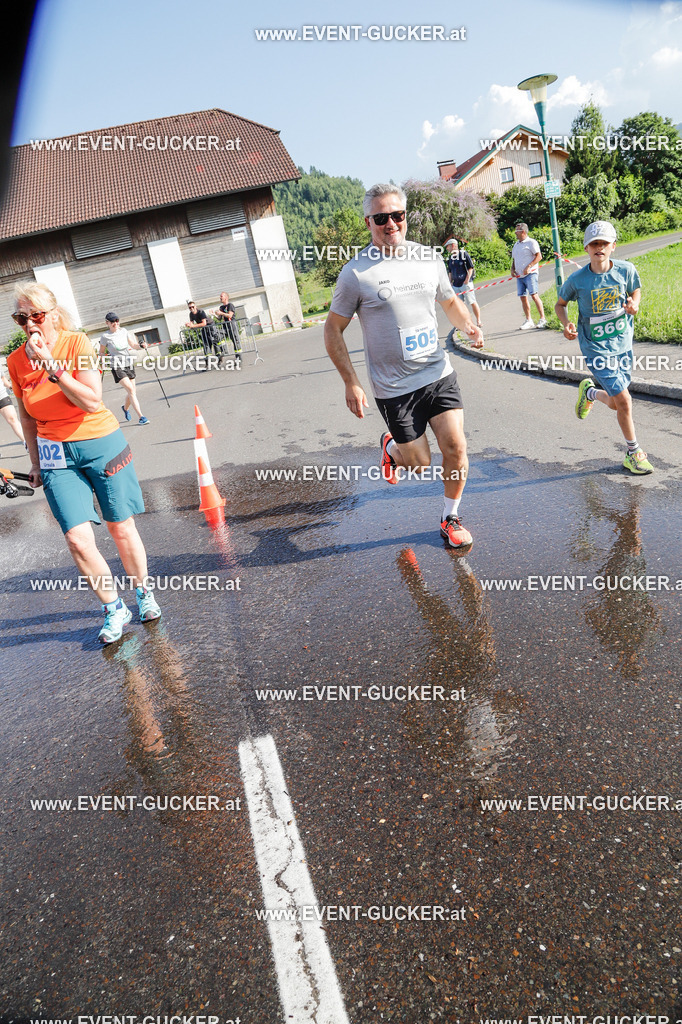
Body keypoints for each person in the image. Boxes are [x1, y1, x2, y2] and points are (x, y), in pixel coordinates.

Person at [324, 182, 483, 550]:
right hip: (394, 388)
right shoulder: (356, 273)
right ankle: (393, 450)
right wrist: (351, 382)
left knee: (456, 446)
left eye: (397, 215)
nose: (391, 223)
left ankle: (450, 516)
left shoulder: (429, 258)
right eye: (381, 217)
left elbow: (449, 302)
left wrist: (468, 325)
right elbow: (333, 329)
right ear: (368, 222)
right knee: (419, 463)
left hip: (436, 373)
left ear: (406, 217)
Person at [6, 282, 161, 644]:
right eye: (20, 318)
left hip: (100, 442)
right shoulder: (15, 361)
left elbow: (91, 401)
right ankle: (113, 607)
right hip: (53, 452)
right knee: (77, 539)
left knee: (120, 527)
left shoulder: (80, 344)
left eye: (36, 315)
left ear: (53, 314)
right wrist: (34, 461)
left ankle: (143, 592)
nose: (29, 324)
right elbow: (27, 417)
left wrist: (50, 365)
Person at [555, 220, 653, 475]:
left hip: (622, 343)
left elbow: (636, 290)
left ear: (613, 246)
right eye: (594, 243)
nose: (599, 247)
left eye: (604, 243)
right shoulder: (577, 280)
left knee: (615, 402)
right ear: (586, 248)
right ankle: (634, 453)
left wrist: (635, 304)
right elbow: (560, 304)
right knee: (625, 400)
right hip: (594, 347)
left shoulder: (626, 270)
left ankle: (589, 394)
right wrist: (566, 325)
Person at [99, 313, 149, 425]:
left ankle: (125, 408)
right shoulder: (105, 336)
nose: (115, 323)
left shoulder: (124, 331)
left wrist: (141, 346)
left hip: (128, 364)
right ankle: (141, 417)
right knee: (131, 390)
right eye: (112, 321)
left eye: (117, 320)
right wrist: (103, 362)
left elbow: (133, 345)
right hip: (116, 366)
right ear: (107, 323)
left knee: (132, 391)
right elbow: (101, 352)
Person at [511, 222, 547, 329]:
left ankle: (542, 319)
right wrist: (512, 269)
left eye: (517, 231)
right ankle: (528, 320)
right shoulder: (516, 244)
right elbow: (514, 259)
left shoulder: (531, 242)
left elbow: (539, 256)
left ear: (523, 231)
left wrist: (529, 266)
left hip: (530, 274)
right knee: (523, 297)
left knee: (534, 295)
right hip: (519, 276)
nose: (515, 233)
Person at [444, 238, 482, 329]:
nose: (447, 249)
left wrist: (467, 279)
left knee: (472, 302)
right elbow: (450, 271)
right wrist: (450, 282)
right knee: (459, 306)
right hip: (456, 285)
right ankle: (464, 324)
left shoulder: (463, 254)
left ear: (453, 245)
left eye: (447, 247)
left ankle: (478, 320)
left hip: (465, 284)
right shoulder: (450, 258)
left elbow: (470, 267)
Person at [185, 300, 223, 368]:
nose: (191, 308)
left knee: (214, 343)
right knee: (206, 345)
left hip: (210, 326)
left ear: (195, 306)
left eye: (192, 307)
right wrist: (189, 325)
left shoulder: (201, 311)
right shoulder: (191, 314)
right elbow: (192, 324)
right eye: (190, 308)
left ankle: (220, 360)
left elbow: (204, 323)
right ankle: (207, 364)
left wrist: (193, 326)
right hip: (204, 329)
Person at [0, 356, 26, 447]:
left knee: (12, 418)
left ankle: (26, 443)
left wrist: (12, 388)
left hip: (1, 395)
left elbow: (3, 379)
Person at [214, 291, 242, 359]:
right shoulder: (221, 307)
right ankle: (224, 350)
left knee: (236, 341)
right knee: (218, 336)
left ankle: (238, 358)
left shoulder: (230, 305)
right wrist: (214, 314)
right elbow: (219, 319)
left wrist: (221, 313)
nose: (220, 298)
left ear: (226, 297)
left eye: (221, 296)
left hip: (231, 325)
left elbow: (229, 315)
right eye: (220, 296)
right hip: (224, 326)